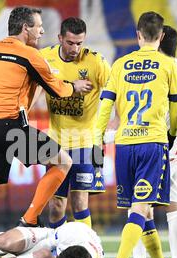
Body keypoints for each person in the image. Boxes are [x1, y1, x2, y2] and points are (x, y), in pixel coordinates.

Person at [0, 6, 93, 258]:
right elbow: (58, 89)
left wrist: (37, 80)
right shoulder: (31, 54)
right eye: (38, 26)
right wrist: (73, 86)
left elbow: (18, 81)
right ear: (25, 28)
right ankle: (29, 218)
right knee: (63, 161)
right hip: (11, 128)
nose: (42, 31)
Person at [95, 12, 177, 258]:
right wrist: (170, 135)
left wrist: (99, 135)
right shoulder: (169, 66)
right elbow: (176, 112)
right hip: (151, 144)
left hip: (124, 145)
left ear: (138, 35)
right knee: (141, 208)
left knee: (141, 212)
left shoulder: (120, 64)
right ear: (162, 36)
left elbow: (106, 104)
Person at [123, 26, 177, 258]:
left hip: (158, 142)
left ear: (159, 40)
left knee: (139, 204)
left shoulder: (161, 69)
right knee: (175, 207)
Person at [39, 17, 110, 229]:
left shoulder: (96, 62)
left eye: (80, 43)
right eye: (70, 43)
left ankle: (87, 252)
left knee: (80, 203)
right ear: (60, 38)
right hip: (57, 143)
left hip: (85, 143)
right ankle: (58, 251)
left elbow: (116, 89)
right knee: (56, 205)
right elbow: (34, 86)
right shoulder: (45, 58)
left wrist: (112, 121)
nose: (75, 48)